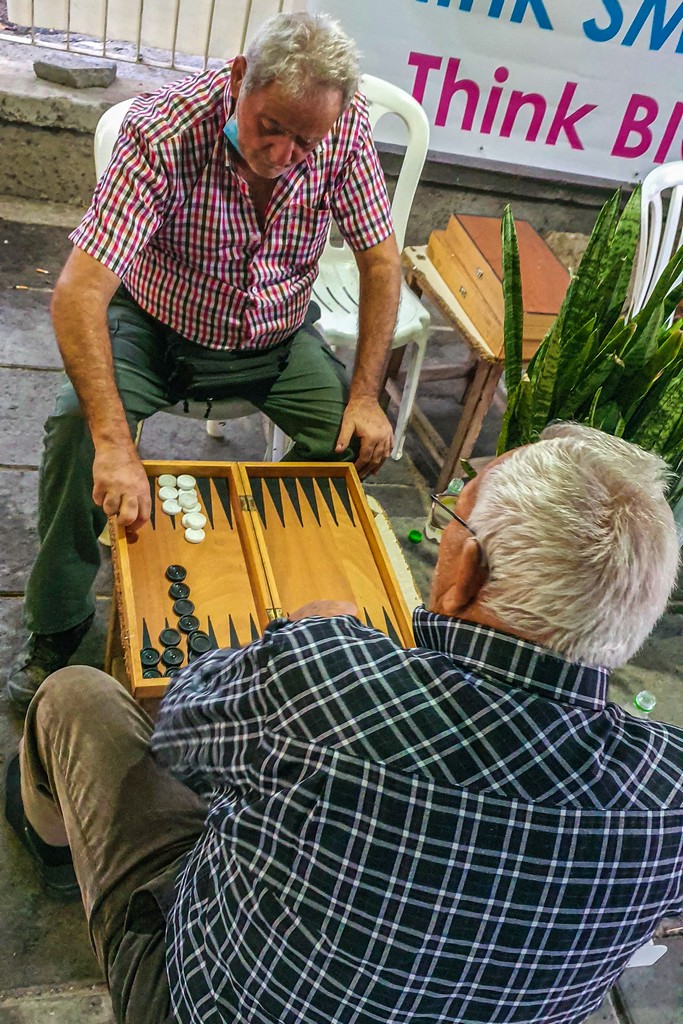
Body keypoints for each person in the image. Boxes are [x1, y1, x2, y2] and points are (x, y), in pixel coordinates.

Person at [5, 423, 683, 1024]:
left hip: (198, 1000)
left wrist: (308, 632)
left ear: (465, 571)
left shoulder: (329, 676)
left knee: (76, 699)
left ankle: (56, 853)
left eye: (454, 518)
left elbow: (177, 735)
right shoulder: (671, 791)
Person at [7, 11, 401, 711]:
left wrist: (367, 394)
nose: (282, 153)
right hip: (157, 332)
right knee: (74, 430)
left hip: (276, 342)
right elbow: (77, 294)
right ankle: (58, 623)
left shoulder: (340, 128)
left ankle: (275, 606)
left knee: (344, 440)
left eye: (302, 140)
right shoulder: (164, 131)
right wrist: (113, 445)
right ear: (241, 78)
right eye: (268, 127)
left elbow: (379, 260)